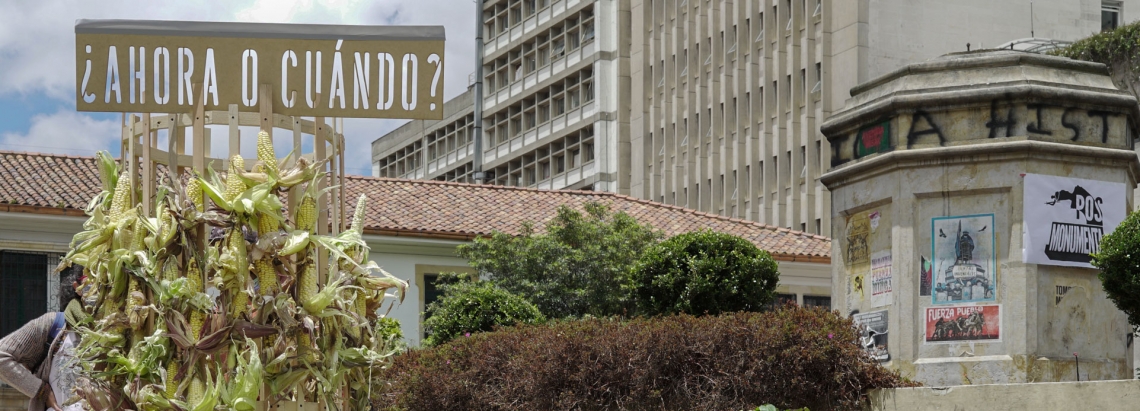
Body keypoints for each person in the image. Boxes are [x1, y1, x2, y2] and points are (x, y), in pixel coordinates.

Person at [0, 265, 87, 411]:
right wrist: (41, 391)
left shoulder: (121, 332)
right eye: (90, 284)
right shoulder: (54, 324)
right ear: (77, 287)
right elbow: (2, 357)